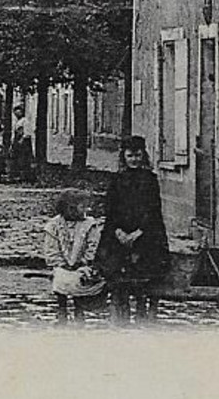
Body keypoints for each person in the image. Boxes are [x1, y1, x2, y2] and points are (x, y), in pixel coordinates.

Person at [95, 136, 170, 321]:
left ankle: (143, 307)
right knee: (114, 264)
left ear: (143, 156)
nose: (134, 160)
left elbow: (153, 210)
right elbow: (111, 210)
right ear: (124, 157)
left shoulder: (150, 180)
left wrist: (138, 233)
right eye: (130, 156)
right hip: (118, 232)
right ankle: (120, 306)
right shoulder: (116, 180)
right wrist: (118, 231)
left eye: (138, 155)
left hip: (145, 232)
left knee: (145, 266)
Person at [43, 192, 106, 322]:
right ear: (70, 208)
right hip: (62, 267)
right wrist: (62, 263)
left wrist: (84, 261)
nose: (85, 210)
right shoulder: (53, 225)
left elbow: (93, 246)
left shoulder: (89, 224)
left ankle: (80, 313)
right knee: (61, 278)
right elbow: (51, 249)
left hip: (82, 266)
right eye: (81, 207)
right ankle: (62, 312)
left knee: (82, 281)